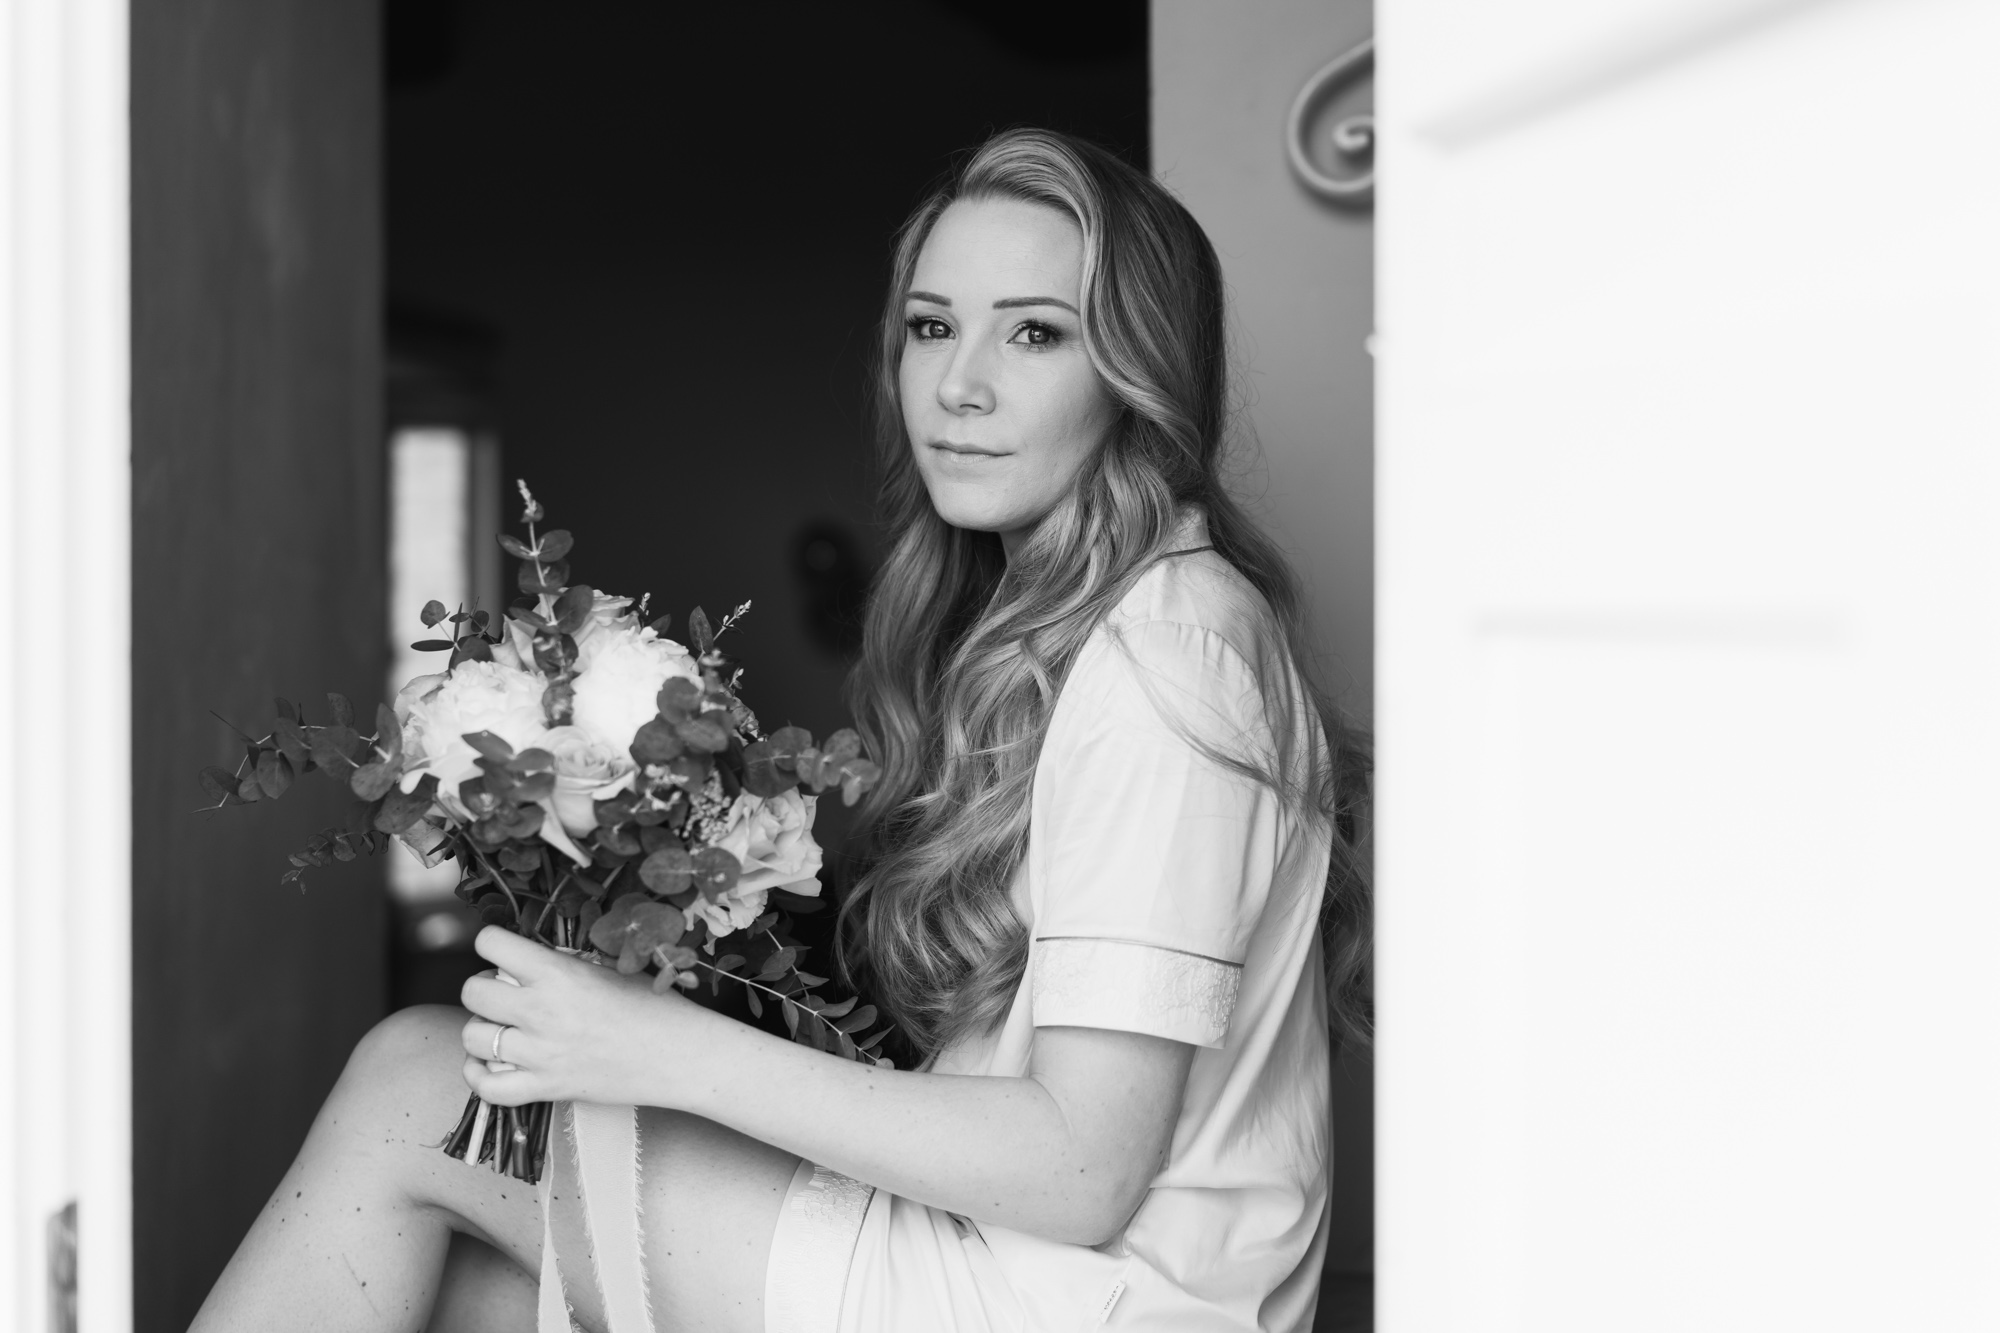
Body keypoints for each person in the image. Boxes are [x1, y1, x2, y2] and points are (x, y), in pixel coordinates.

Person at [191, 127, 1370, 1333]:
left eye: (1034, 333)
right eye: (930, 327)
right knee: (477, 1286)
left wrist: (654, 1047)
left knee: (412, 1084)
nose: (958, 384)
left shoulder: (1162, 655)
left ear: (1137, 370)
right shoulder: (1108, 621)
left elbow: (1081, 1166)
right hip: (1016, 1268)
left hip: (1063, 1298)